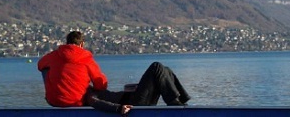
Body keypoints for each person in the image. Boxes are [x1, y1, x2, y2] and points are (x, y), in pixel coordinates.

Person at [38, 31, 191, 114]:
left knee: (164, 70)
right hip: (135, 103)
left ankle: (180, 101)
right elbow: (101, 84)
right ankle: (176, 105)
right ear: (82, 44)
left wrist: (53, 76)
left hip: (129, 98)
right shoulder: (86, 66)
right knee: (157, 67)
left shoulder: (53, 56)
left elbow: (40, 64)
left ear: (66, 42)